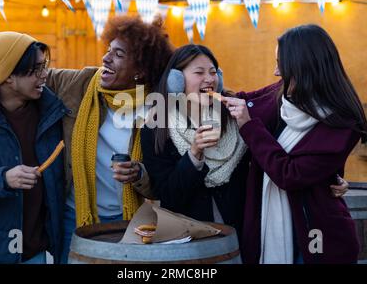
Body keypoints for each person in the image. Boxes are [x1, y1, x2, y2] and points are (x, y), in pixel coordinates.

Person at [0, 15, 174, 263]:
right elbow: (8, 72)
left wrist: (140, 175)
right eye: (108, 50)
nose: (106, 58)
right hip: (74, 216)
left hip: (130, 220)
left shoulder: (159, 106)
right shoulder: (82, 83)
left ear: (141, 68)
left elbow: (163, 177)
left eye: (119, 55)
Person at [226, 24, 366, 264]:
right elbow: (243, 101)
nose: (275, 72)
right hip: (270, 228)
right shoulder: (285, 95)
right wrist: (208, 88)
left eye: (282, 64)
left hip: (317, 240)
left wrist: (250, 127)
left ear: (302, 68)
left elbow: (290, 174)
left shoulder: (343, 123)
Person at [0, 31, 65, 263]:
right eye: (36, 70)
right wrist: (3, 179)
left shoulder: (52, 111)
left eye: (45, 66)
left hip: (38, 254)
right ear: (9, 76)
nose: (45, 75)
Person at [141, 44, 250, 242]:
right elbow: (168, 196)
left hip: (238, 236)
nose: (209, 79)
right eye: (199, 72)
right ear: (176, 81)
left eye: (213, 72)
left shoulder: (234, 115)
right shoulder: (156, 128)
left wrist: (248, 125)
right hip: (190, 241)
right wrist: (194, 153)